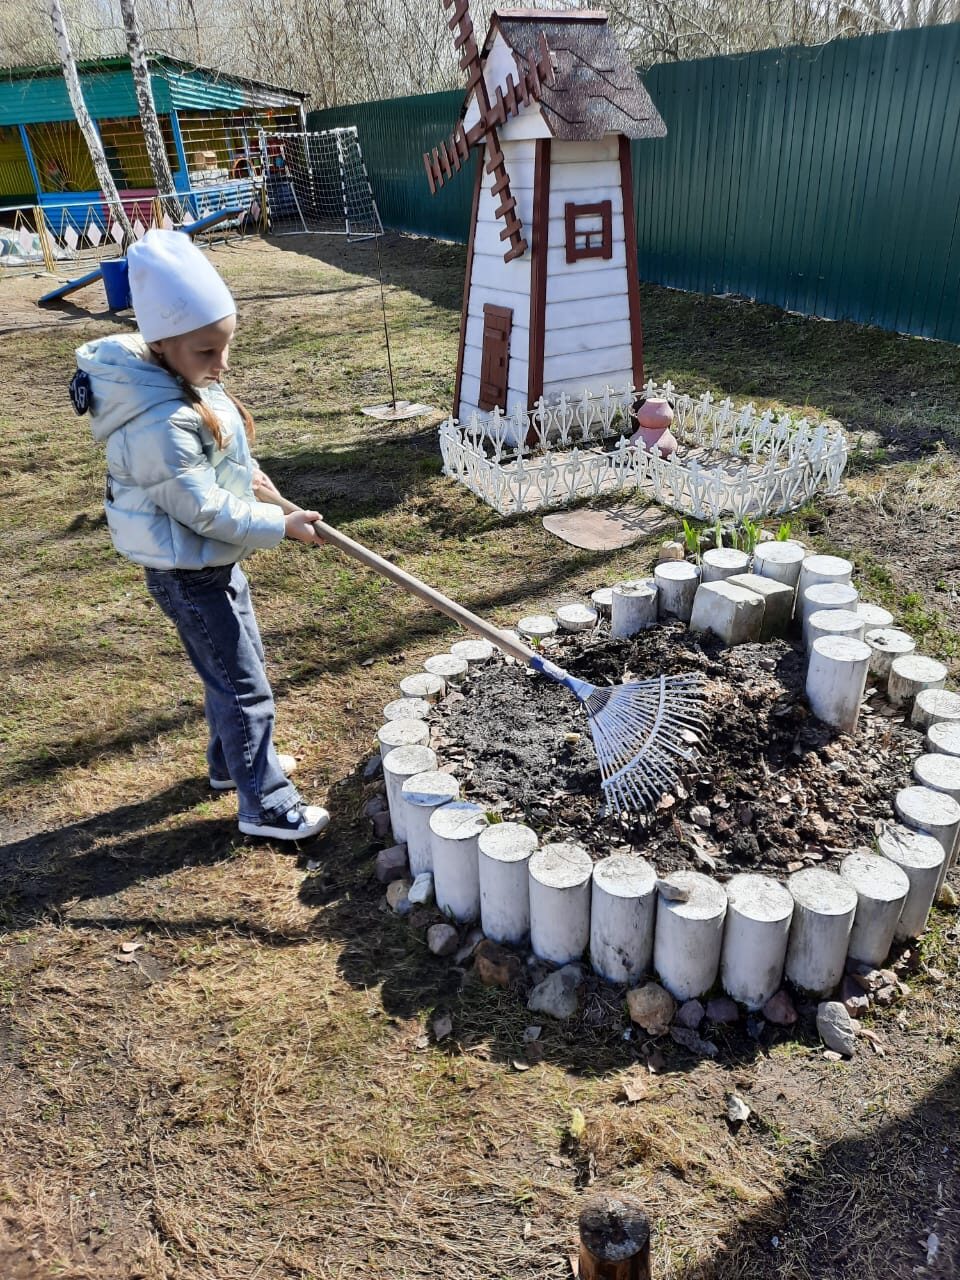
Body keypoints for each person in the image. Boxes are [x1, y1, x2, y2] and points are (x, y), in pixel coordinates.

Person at [74, 229, 329, 841]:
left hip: (209, 562)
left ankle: (228, 765)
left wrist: (252, 481)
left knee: (236, 671)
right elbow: (202, 509)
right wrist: (280, 525)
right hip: (189, 571)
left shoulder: (183, 380)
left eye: (226, 346)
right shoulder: (157, 422)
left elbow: (217, 463)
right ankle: (264, 803)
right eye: (208, 351)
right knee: (244, 687)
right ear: (161, 345)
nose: (222, 364)